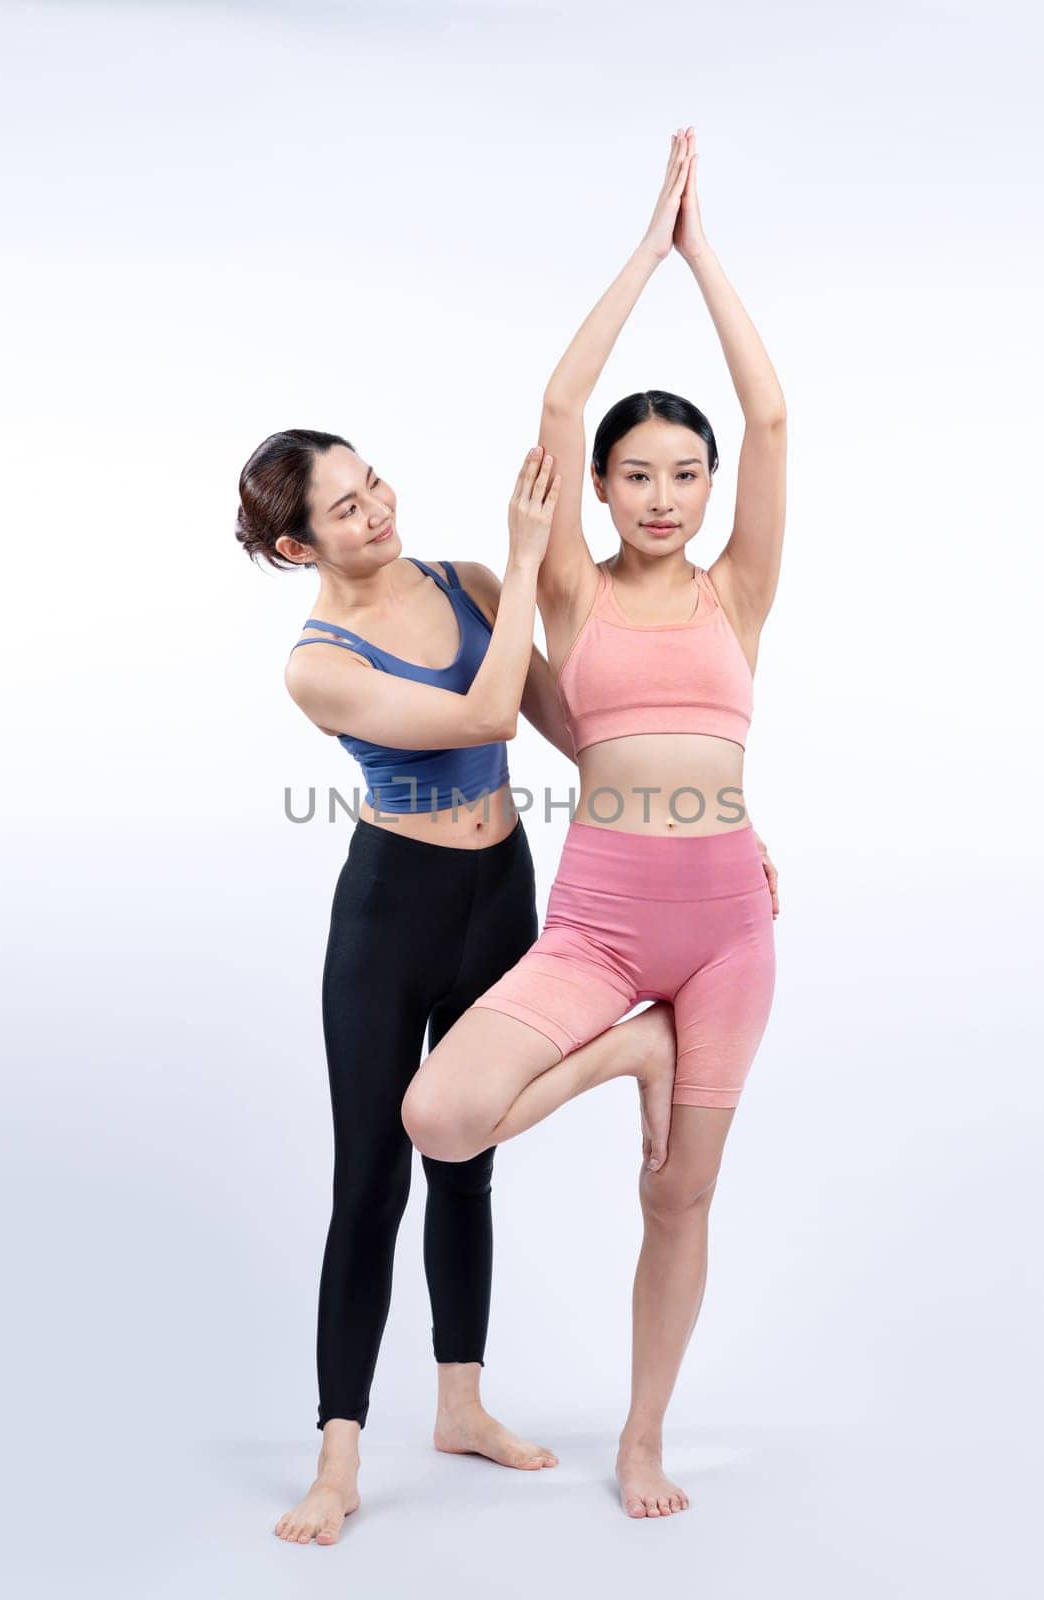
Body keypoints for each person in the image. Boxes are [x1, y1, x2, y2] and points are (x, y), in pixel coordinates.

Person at [237, 434, 779, 1545]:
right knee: (373, 1177)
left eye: (372, 480)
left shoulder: (466, 584)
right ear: (299, 546)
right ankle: (337, 1458)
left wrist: (722, 818)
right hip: (395, 910)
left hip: (503, 886)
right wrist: (530, 557)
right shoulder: (318, 662)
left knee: (468, 1164)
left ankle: (460, 1404)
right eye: (344, 509)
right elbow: (484, 717)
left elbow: (583, 733)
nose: (378, 509)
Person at [402, 125, 786, 1520]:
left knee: (677, 1201)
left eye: (686, 474)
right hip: (605, 922)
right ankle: (629, 1047)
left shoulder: (738, 587)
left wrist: (713, 261)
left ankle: (642, 1437)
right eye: (640, 476)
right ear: (604, 490)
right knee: (441, 1118)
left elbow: (775, 421)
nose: (666, 496)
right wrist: (651, 248)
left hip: (729, 931)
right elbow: (559, 406)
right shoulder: (572, 590)